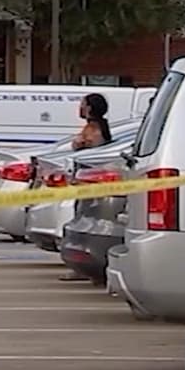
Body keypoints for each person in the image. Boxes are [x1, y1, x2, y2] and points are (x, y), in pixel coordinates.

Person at [60, 92, 113, 282]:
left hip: (90, 185)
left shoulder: (96, 128)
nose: (80, 108)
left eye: (83, 104)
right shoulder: (91, 127)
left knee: (85, 222)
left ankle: (84, 267)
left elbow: (96, 150)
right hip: (85, 183)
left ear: (90, 107)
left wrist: (80, 145)